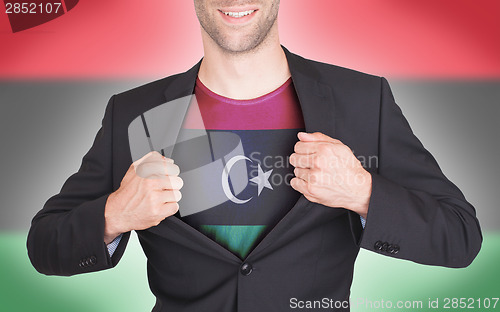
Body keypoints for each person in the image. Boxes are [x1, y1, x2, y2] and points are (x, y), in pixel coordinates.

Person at [27, 1, 482, 311]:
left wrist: (363, 192)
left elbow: (460, 237)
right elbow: (44, 245)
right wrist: (114, 214)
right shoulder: (135, 113)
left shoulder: (362, 101)